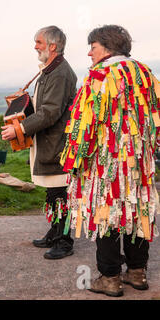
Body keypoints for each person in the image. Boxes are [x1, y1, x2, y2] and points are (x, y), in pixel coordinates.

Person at [61, 25, 160, 297]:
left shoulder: (100, 75)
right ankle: (137, 273)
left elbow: (85, 123)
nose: (89, 53)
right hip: (139, 163)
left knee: (106, 216)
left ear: (106, 47)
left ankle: (110, 277)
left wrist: (74, 160)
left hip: (106, 162)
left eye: (92, 47)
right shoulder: (145, 73)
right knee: (137, 211)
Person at [1, 26, 77, 259]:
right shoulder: (50, 70)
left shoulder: (60, 73)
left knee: (60, 193)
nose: (35, 46)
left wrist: (20, 128)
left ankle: (64, 241)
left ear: (52, 46)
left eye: (39, 42)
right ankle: (55, 233)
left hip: (57, 144)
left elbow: (51, 112)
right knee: (52, 193)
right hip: (47, 141)